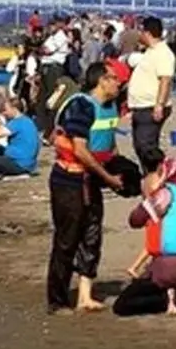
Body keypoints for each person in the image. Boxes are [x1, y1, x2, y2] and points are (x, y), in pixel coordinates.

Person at [47, 63, 124, 313]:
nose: (119, 83)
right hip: (69, 180)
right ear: (102, 80)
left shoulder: (111, 107)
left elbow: (110, 144)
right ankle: (57, 300)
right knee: (67, 239)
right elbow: (80, 149)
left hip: (91, 180)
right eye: (115, 79)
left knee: (92, 237)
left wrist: (119, 170)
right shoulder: (81, 105)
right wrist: (109, 179)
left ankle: (85, 296)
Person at [115, 149, 176, 317]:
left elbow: (135, 220)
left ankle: (167, 300)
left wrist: (152, 194)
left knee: (123, 304)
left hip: (170, 268)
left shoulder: (166, 194)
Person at [126, 16, 176, 163]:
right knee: (141, 146)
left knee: (146, 147)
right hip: (142, 106)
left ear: (147, 33)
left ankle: (157, 175)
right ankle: (150, 176)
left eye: (141, 31)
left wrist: (159, 105)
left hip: (150, 106)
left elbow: (165, 80)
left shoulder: (163, 53)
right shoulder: (151, 51)